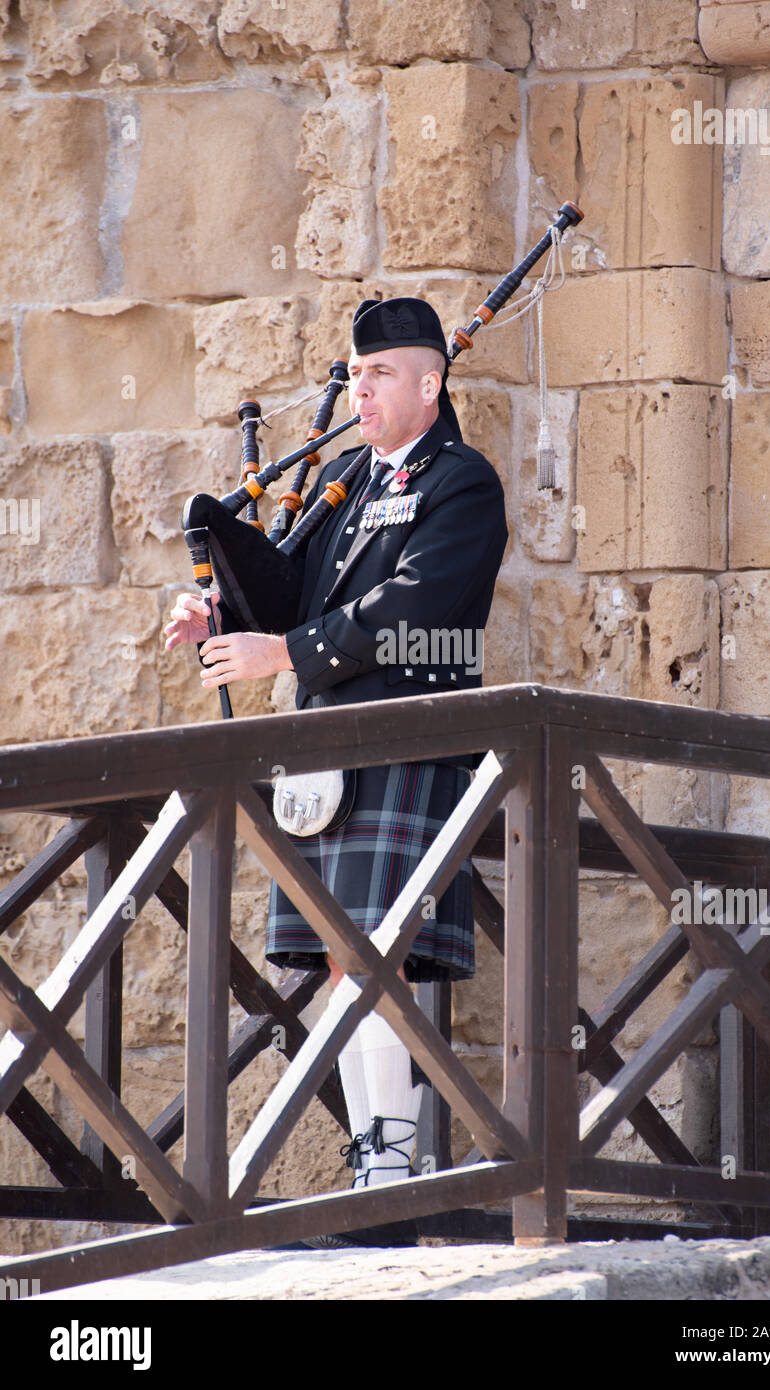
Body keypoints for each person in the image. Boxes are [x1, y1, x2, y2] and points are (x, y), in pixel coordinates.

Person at [164, 296, 508, 1191]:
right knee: (334, 959)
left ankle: (389, 1163)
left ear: (431, 381)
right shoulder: (350, 482)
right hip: (328, 746)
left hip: (406, 741)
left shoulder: (460, 482)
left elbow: (416, 607)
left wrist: (283, 652)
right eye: (356, 373)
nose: (363, 388)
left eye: (382, 372)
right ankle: (376, 1156)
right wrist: (218, 605)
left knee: (375, 956)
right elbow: (294, 591)